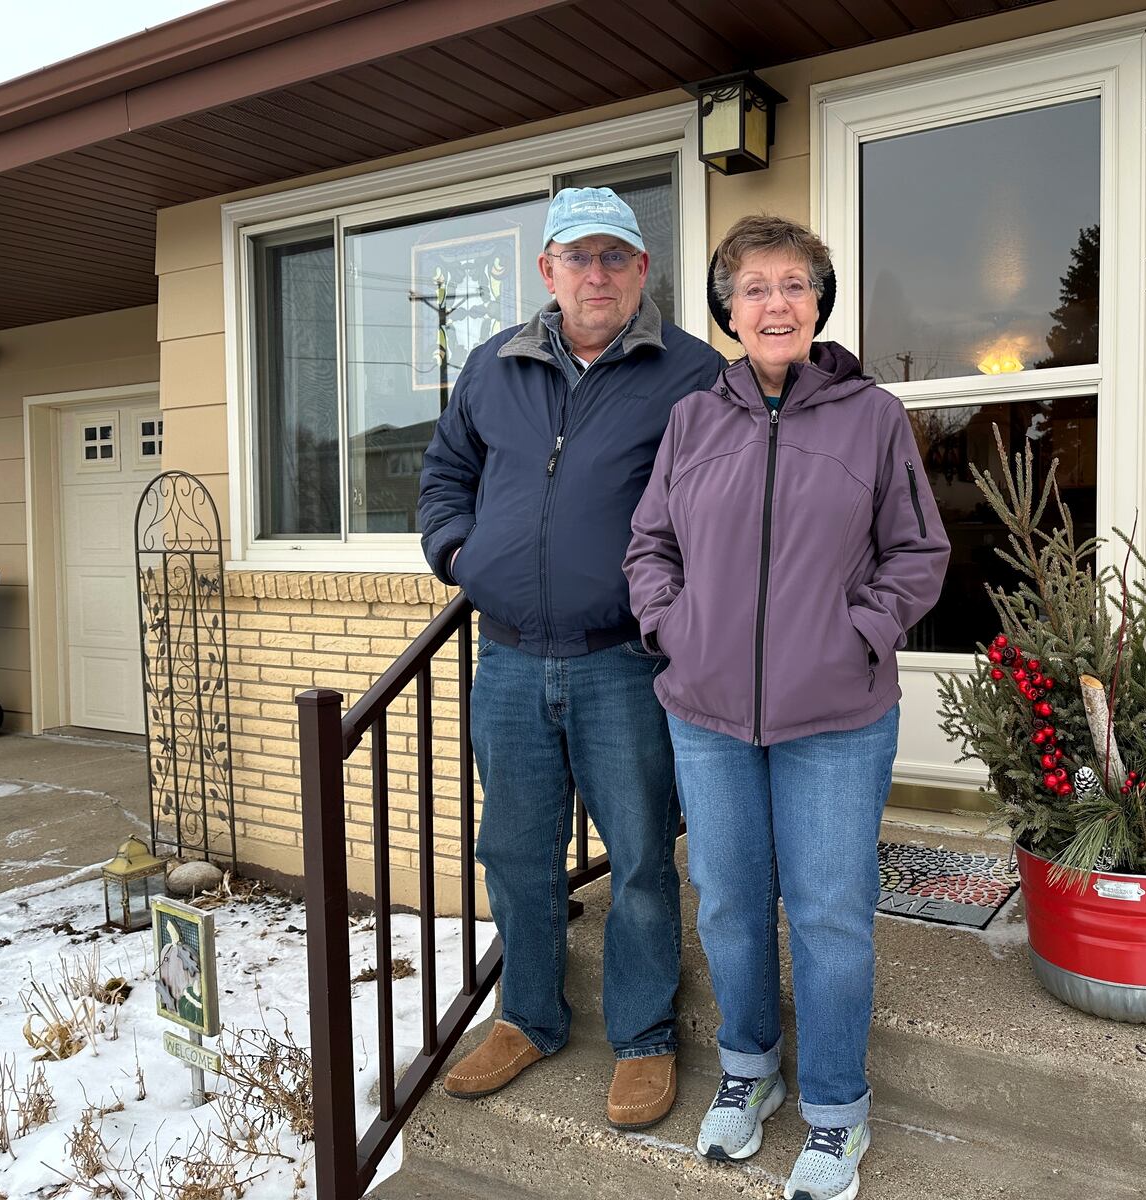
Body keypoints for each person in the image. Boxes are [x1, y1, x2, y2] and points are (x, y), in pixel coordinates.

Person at [625, 215, 949, 1200]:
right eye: (754, 287)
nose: (775, 303)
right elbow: (650, 547)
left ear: (818, 304)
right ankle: (749, 1069)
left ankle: (837, 1113)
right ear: (728, 310)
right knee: (724, 902)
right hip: (706, 711)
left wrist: (857, 631)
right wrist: (672, 628)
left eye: (794, 285)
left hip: (837, 718)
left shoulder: (871, 417)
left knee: (829, 915)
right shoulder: (693, 421)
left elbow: (917, 552)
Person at [418, 187, 723, 1130]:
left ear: (642, 271)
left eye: (616, 258)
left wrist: (669, 609)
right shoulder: (492, 365)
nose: (597, 275)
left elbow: (714, 511)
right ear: (547, 271)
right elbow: (444, 475)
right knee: (514, 850)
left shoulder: (691, 374)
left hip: (622, 661)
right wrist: (460, 553)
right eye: (577, 258)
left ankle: (641, 1038)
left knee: (636, 857)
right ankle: (528, 1017)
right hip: (508, 659)